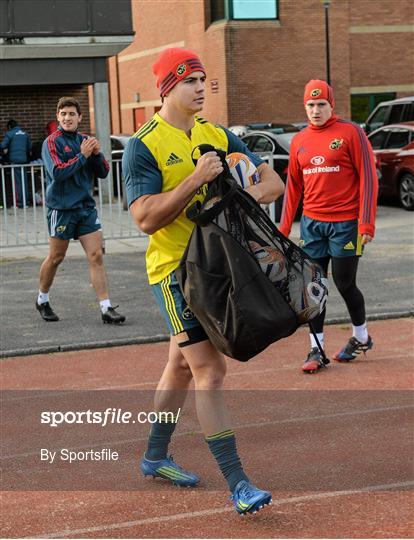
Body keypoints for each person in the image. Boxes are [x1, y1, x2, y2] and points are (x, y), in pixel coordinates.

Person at [122, 47, 285, 514]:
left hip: (218, 266)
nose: (201, 88)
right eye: (191, 81)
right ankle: (239, 484)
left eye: (203, 80)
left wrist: (235, 197)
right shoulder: (144, 143)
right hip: (175, 273)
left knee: (179, 367)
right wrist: (195, 180)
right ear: (168, 87)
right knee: (210, 372)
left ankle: (154, 456)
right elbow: (145, 219)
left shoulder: (217, 134)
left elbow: (271, 181)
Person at [279, 79, 378, 373]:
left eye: (321, 104)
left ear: (331, 105)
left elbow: (368, 178)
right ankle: (316, 348)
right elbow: (293, 189)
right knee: (314, 287)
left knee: (345, 283)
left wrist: (366, 222)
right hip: (313, 225)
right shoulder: (299, 140)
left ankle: (361, 337)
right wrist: (283, 229)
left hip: (346, 224)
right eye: (310, 105)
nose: (315, 110)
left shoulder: (351, 133)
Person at [36, 96, 125, 325]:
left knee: (96, 256)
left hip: (86, 208)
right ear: (58, 117)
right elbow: (57, 172)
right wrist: (83, 155)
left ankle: (106, 308)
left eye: (71, 114)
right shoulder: (51, 142)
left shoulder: (86, 140)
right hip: (62, 209)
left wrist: (95, 154)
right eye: (63, 114)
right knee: (56, 257)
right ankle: (42, 299)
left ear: (79, 117)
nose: (67, 117)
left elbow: (104, 172)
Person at [0, 119, 32, 208]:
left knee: (16, 182)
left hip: (15, 162)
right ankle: (25, 203)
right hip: (24, 161)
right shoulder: (24, 134)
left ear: (10, 127)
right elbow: (30, 146)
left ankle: (19, 204)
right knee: (24, 181)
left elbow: (3, 146)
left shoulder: (10, 133)